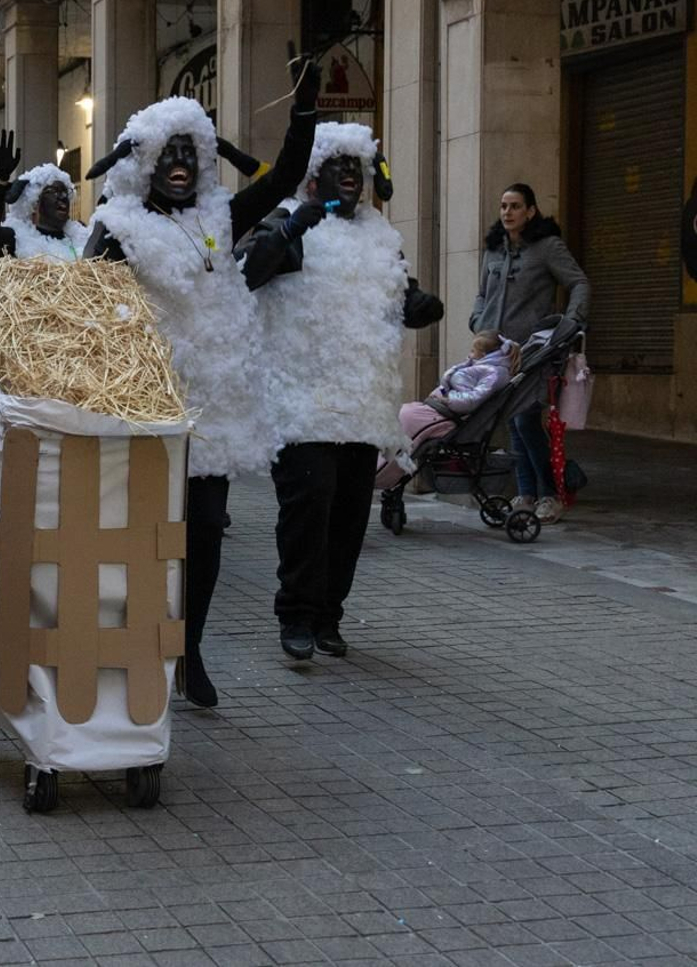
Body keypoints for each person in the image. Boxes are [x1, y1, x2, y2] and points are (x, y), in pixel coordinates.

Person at [80, 52, 320, 709]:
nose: (181, 164)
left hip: (209, 417)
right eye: (169, 154)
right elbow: (87, 317)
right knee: (139, 541)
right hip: (141, 414)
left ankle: (190, 650)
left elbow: (283, 182)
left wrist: (303, 110)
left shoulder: (218, 219)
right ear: (146, 162)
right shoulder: (117, 227)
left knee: (205, 534)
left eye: (192, 152)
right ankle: (133, 647)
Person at [236, 122, 444, 662]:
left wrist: (418, 305)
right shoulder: (288, 220)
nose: (352, 176)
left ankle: (329, 615)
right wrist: (287, 233)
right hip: (301, 403)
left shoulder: (381, 235)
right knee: (309, 508)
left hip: (361, 404)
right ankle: (297, 615)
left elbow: (400, 293)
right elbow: (244, 275)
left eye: (359, 167)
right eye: (340, 166)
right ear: (314, 174)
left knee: (350, 515)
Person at [470, 184, 589, 524]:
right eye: (503, 206)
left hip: (535, 351)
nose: (507, 212)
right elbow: (481, 294)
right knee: (512, 421)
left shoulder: (547, 248)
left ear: (531, 211)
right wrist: (478, 320)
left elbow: (579, 282)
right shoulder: (493, 250)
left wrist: (570, 323)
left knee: (524, 419)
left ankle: (551, 493)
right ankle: (526, 492)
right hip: (496, 351)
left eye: (516, 206)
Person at [374, 330, 517, 488]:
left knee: (404, 421)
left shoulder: (494, 373)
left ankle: (381, 472)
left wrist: (448, 400)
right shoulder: (482, 367)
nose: (469, 354)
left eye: (473, 350)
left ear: (483, 354)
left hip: (446, 415)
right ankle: (378, 463)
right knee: (400, 414)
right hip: (438, 409)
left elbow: (474, 398)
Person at [0, 132, 88, 261]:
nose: (62, 197)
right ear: (35, 203)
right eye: (54, 191)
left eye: (65, 192)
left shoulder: (81, 240)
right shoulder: (18, 239)